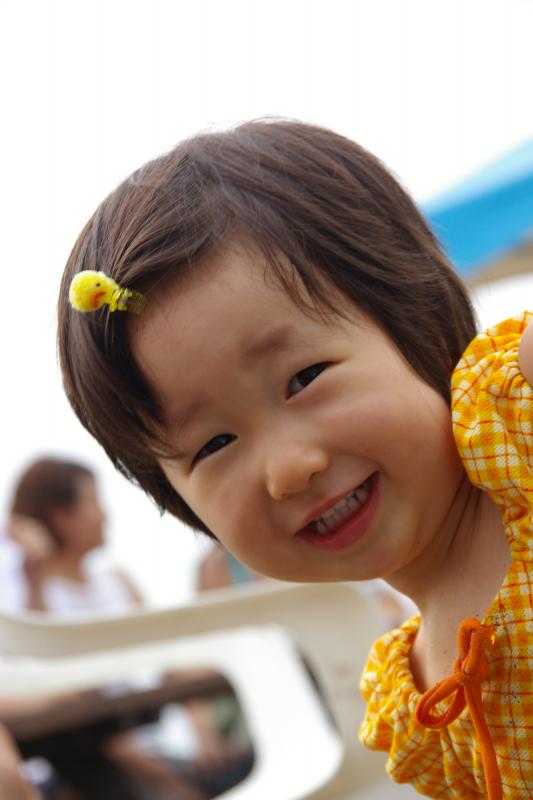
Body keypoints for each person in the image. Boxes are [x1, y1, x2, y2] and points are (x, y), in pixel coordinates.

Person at [56, 120, 532, 799]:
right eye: (213, 445)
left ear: (418, 321)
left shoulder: (513, 425)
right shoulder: (418, 706)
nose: (287, 469)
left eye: (304, 378)